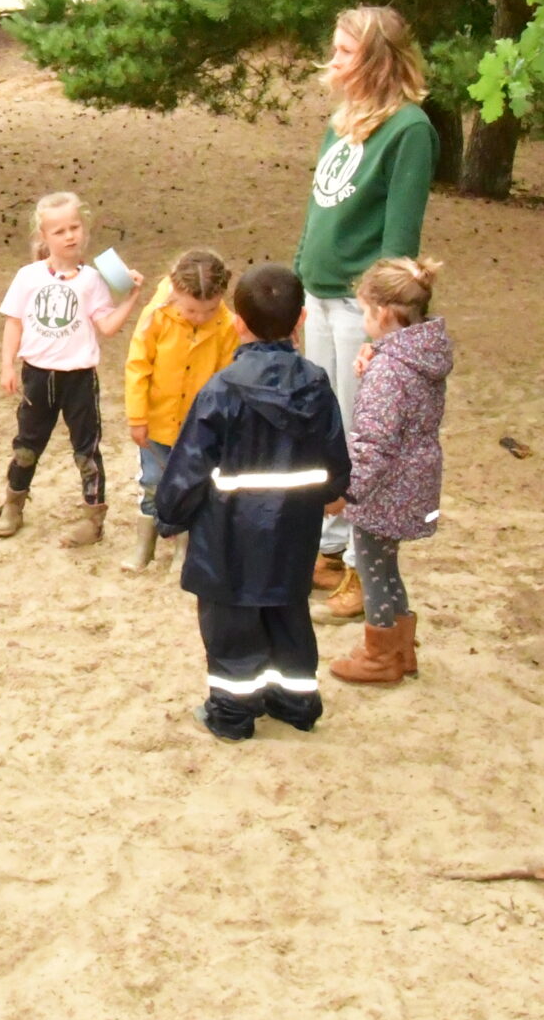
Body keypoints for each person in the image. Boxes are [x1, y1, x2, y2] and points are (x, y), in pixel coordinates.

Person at [155, 263, 350, 741]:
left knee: (230, 626)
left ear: (237, 322)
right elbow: (334, 454)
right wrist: (332, 492)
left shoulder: (220, 391)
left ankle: (232, 714)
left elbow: (190, 465)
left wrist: (169, 514)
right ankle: (295, 703)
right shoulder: (318, 383)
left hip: (228, 534)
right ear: (302, 319)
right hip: (294, 530)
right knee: (288, 613)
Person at [295, 5, 437, 618]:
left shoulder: (409, 130)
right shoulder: (342, 120)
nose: (333, 60)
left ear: (377, 58)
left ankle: (361, 566)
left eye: (345, 51)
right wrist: (301, 279)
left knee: (363, 439)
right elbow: (317, 212)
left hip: (362, 307)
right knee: (325, 428)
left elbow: (400, 239)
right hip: (319, 295)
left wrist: (383, 328)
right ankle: (326, 551)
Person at [328, 257, 451, 686]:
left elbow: (374, 443)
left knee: (373, 569)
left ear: (382, 313)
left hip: (386, 487)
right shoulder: (419, 357)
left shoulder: (391, 371)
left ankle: (380, 655)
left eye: (364, 311)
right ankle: (401, 649)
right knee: (387, 564)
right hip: (414, 480)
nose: (364, 321)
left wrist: (349, 492)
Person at [0, 192, 140, 545]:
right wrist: (6, 366)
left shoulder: (92, 280)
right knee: (27, 445)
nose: (69, 236)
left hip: (79, 379)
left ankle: (94, 517)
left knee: (86, 449)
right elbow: (13, 322)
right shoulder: (28, 277)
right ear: (44, 237)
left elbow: (106, 327)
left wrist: (131, 298)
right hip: (37, 375)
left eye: (75, 227)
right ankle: (13, 503)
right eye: (59, 231)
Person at [122, 249, 240, 571]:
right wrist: (138, 416)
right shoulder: (156, 315)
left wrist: (217, 425)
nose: (200, 318)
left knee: (195, 485)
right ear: (175, 292)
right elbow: (138, 365)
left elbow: (226, 379)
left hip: (198, 428)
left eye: (209, 310)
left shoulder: (227, 325)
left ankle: (184, 549)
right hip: (157, 423)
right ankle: (144, 547)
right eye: (191, 310)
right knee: (151, 480)